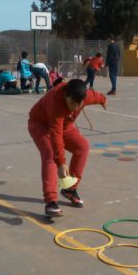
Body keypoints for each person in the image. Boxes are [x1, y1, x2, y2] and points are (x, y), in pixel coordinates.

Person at [28, 79, 107, 217]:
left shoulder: (84, 96)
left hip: (65, 125)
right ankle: (51, 202)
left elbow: (95, 95)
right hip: (40, 124)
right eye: (71, 104)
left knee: (82, 147)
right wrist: (61, 162)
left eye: (79, 105)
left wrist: (103, 100)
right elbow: (56, 134)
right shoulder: (56, 103)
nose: (75, 108)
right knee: (50, 154)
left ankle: (70, 189)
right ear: (65, 95)